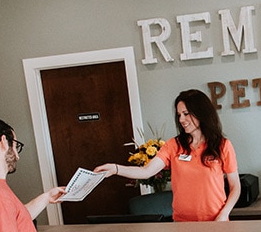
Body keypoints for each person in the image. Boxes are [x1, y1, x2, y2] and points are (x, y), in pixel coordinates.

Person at [93, 89, 241, 221]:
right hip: (182, 224)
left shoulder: (222, 145)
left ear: (201, 113)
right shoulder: (173, 145)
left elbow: (235, 186)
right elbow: (146, 171)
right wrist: (115, 169)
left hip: (216, 222)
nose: (181, 120)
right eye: (179, 115)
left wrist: (224, 214)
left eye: (186, 114)